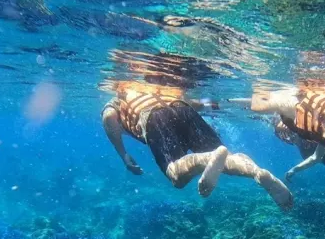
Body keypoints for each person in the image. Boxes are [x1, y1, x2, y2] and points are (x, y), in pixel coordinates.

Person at [102, 80, 294, 209]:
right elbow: (193, 104)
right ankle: (256, 172)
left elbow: (109, 118)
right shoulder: (162, 89)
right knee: (227, 159)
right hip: (182, 108)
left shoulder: (119, 98)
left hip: (154, 117)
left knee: (176, 175)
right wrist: (211, 103)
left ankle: (208, 159)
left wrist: (123, 155)